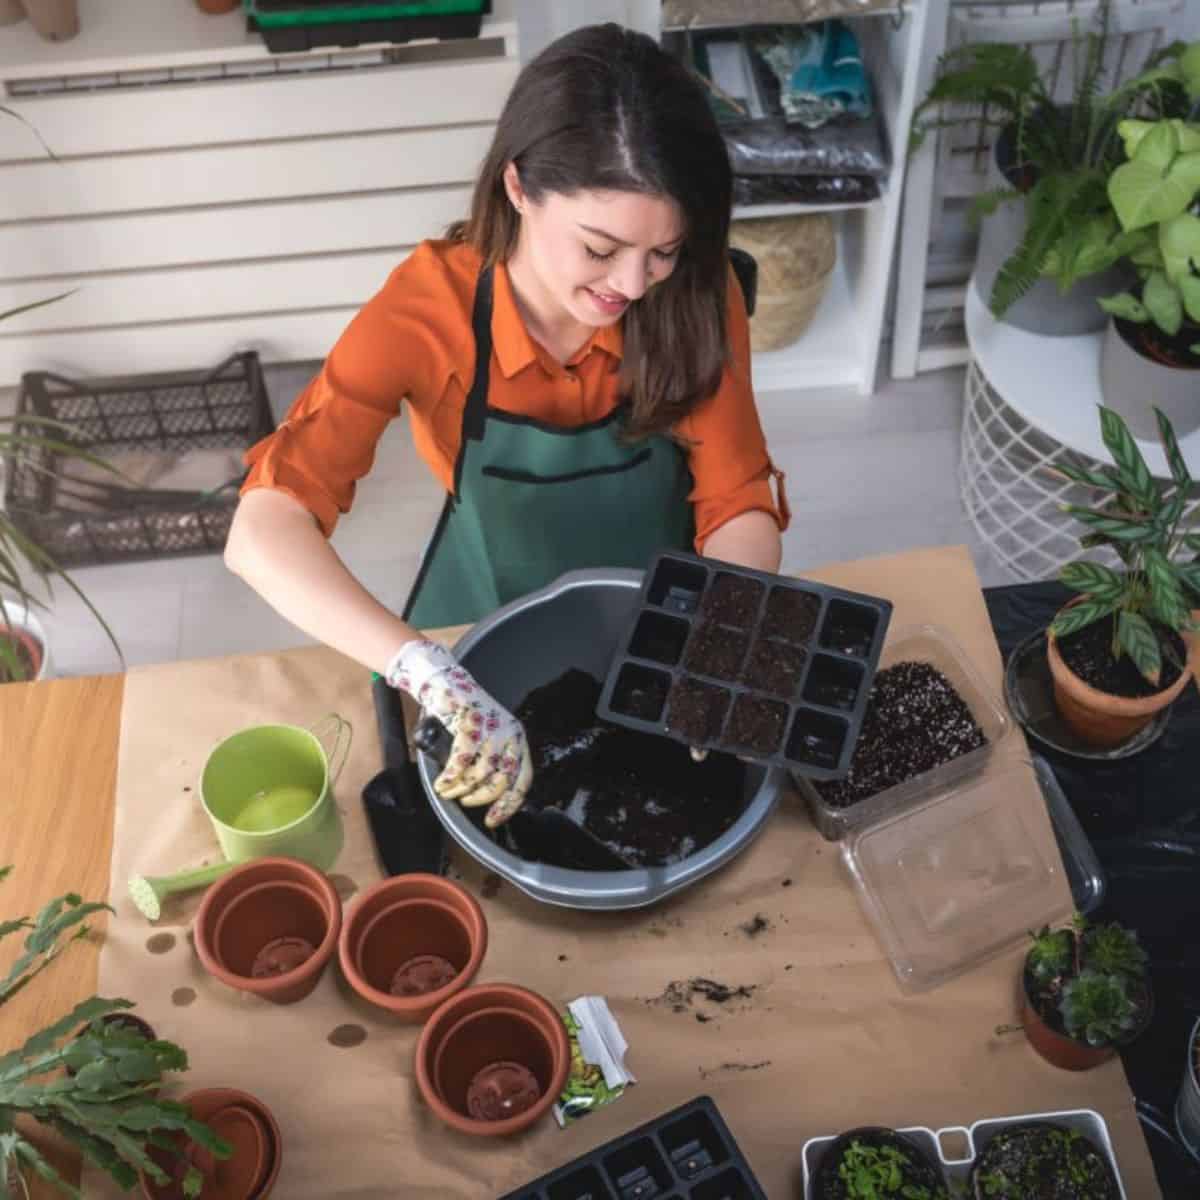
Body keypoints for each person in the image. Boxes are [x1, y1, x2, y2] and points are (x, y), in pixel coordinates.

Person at [225, 23, 790, 832]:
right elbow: (262, 531)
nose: (632, 284)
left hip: (659, 606)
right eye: (601, 247)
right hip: (482, 614)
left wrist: (720, 639)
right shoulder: (427, 311)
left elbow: (738, 503)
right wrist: (426, 669)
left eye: (663, 251)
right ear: (519, 188)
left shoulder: (695, 293)